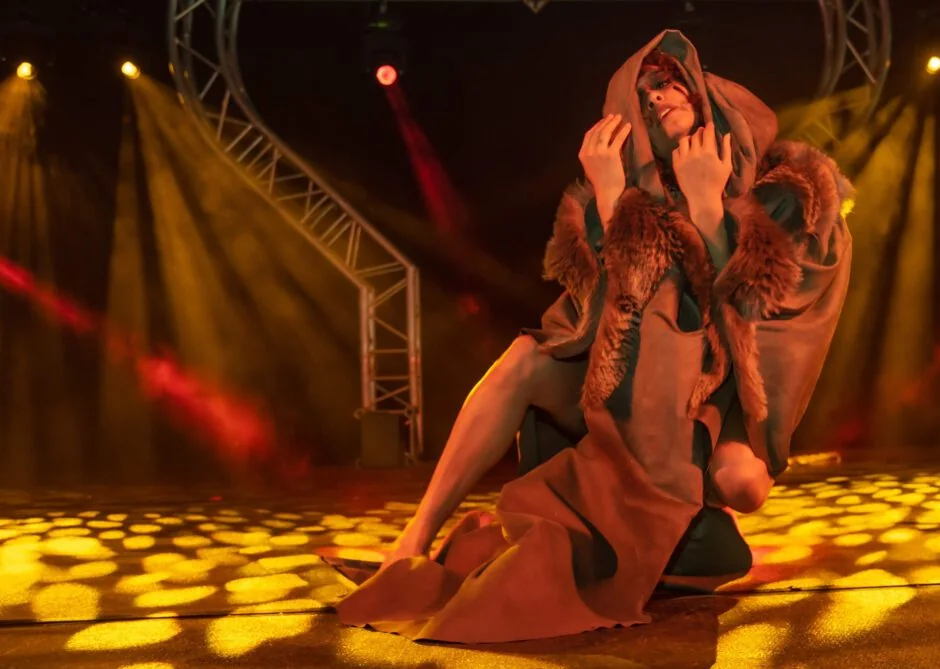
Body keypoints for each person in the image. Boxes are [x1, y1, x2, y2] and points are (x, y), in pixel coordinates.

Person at [319, 29, 854, 644]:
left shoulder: (787, 186)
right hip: (648, 383)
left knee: (743, 483)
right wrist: (609, 199)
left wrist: (709, 209)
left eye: (666, 83)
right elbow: (612, 322)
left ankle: (677, 520)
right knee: (526, 358)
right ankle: (413, 538)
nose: (658, 99)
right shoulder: (643, 197)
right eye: (644, 98)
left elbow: (751, 316)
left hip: (727, 390)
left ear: (698, 87)